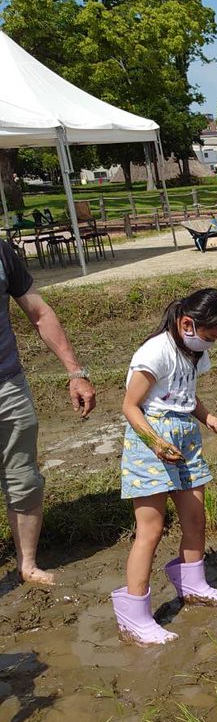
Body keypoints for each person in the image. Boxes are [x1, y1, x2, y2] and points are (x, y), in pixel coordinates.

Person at [113, 289, 217, 644]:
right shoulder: (156, 352)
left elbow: (183, 394)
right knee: (150, 529)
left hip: (185, 438)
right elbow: (130, 406)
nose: (210, 345)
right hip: (150, 442)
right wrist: (156, 442)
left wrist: (208, 416)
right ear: (187, 324)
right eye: (209, 337)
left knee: (195, 517)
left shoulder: (193, 352)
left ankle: (193, 583)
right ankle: (134, 614)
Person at [0, 239, 95, 585]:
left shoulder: (1, 252)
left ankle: (27, 564)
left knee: (23, 480)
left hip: (7, 386)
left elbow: (38, 313)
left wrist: (75, 372)